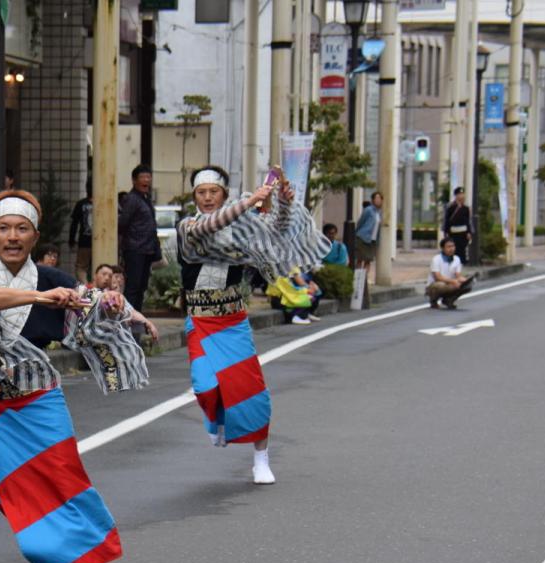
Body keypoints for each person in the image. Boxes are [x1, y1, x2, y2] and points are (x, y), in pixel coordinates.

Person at [0, 189, 149, 563]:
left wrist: (124, 308)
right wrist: (40, 297)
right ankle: (61, 554)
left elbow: (92, 299)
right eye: (3, 228)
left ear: (35, 236)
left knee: (64, 477)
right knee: (16, 494)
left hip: (39, 396)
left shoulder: (52, 278)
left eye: (21, 228)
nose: (12, 236)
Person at [177, 165, 329, 485]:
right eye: (201, 193)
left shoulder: (243, 225)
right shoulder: (188, 225)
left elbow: (276, 229)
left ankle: (261, 457)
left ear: (224, 194)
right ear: (194, 196)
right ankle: (219, 422)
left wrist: (283, 202)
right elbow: (209, 225)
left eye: (213, 192)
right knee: (205, 387)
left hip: (232, 321)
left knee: (251, 394)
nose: (207, 198)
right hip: (201, 322)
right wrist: (249, 202)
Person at [118, 164, 162, 312]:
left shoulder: (145, 198)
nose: (146, 180)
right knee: (133, 287)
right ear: (134, 180)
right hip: (135, 249)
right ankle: (129, 319)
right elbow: (123, 223)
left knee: (142, 287)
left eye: (148, 177)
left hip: (147, 249)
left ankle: (137, 317)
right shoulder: (132, 199)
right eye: (142, 177)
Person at [427, 237, 475, 310]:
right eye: (449, 247)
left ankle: (448, 300)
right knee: (441, 285)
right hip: (435, 284)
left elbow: (458, 275)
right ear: (443, 248)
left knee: (467, 286)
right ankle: (433, 301)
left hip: (449, 284)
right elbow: (437, 277)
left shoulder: (456, 259)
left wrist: (464, 280)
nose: (452, 248)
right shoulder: (436, 259)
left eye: (453, 246)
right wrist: (453, 281)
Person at [69, 181, 94, 284]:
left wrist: (71, 239)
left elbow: (74, 223)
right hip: (102, 243)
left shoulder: (81, 203)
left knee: (81, 267)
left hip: (84, 241)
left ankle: (86, 287)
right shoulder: (104, 202)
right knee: (99, 266)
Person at [443, 186, 473, 265]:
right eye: (459, 194)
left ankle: (462, 262)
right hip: (453, 232)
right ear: (456, 195)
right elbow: (447, 220)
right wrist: (446, 232)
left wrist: (468, 232)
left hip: (463, 232)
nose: (461, 196)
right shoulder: (450, 207)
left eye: (462, 194)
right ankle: (453, 262)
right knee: (453, 248)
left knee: (462, 249)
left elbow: (467, 221)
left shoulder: (466, 208)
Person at [355, 191, 382, 275]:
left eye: (380, 198)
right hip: (363, 238)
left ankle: (364, 281)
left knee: (368, 260)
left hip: (372, 240)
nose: (378, 200)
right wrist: (356, 233)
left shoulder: (379, 212)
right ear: (373, 200)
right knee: (360, 259)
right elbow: (360, 222)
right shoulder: (368, 210)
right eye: (376, 198)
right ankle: (358, 280)